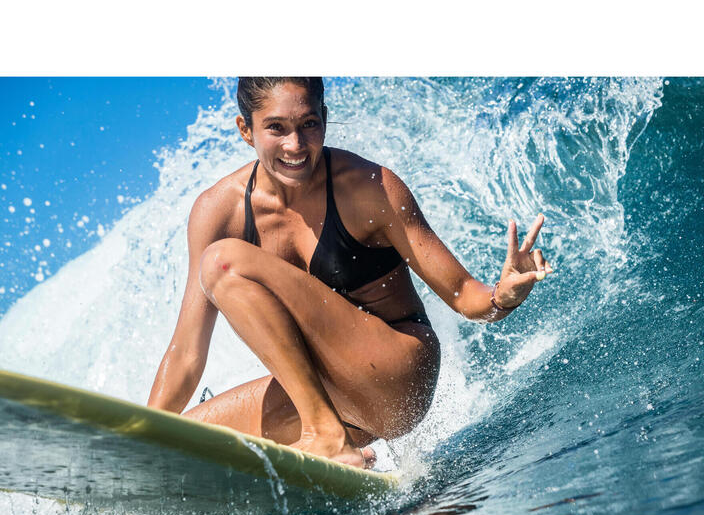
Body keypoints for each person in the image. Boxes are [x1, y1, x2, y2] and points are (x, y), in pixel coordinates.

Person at [147, 77, 552, 469]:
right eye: (276, 128)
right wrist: (137, 435)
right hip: (331, 395)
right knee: (180, 439)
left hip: (397, 375)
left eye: (309, 125)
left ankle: (327, 436)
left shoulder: (367, 187)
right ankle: (330, 437)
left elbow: (464, 294)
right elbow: (186, 352)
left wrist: (503, 295)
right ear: (245, 130)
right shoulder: (217, 211)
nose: (296, 145)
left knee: (222, 263)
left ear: (323, 117)